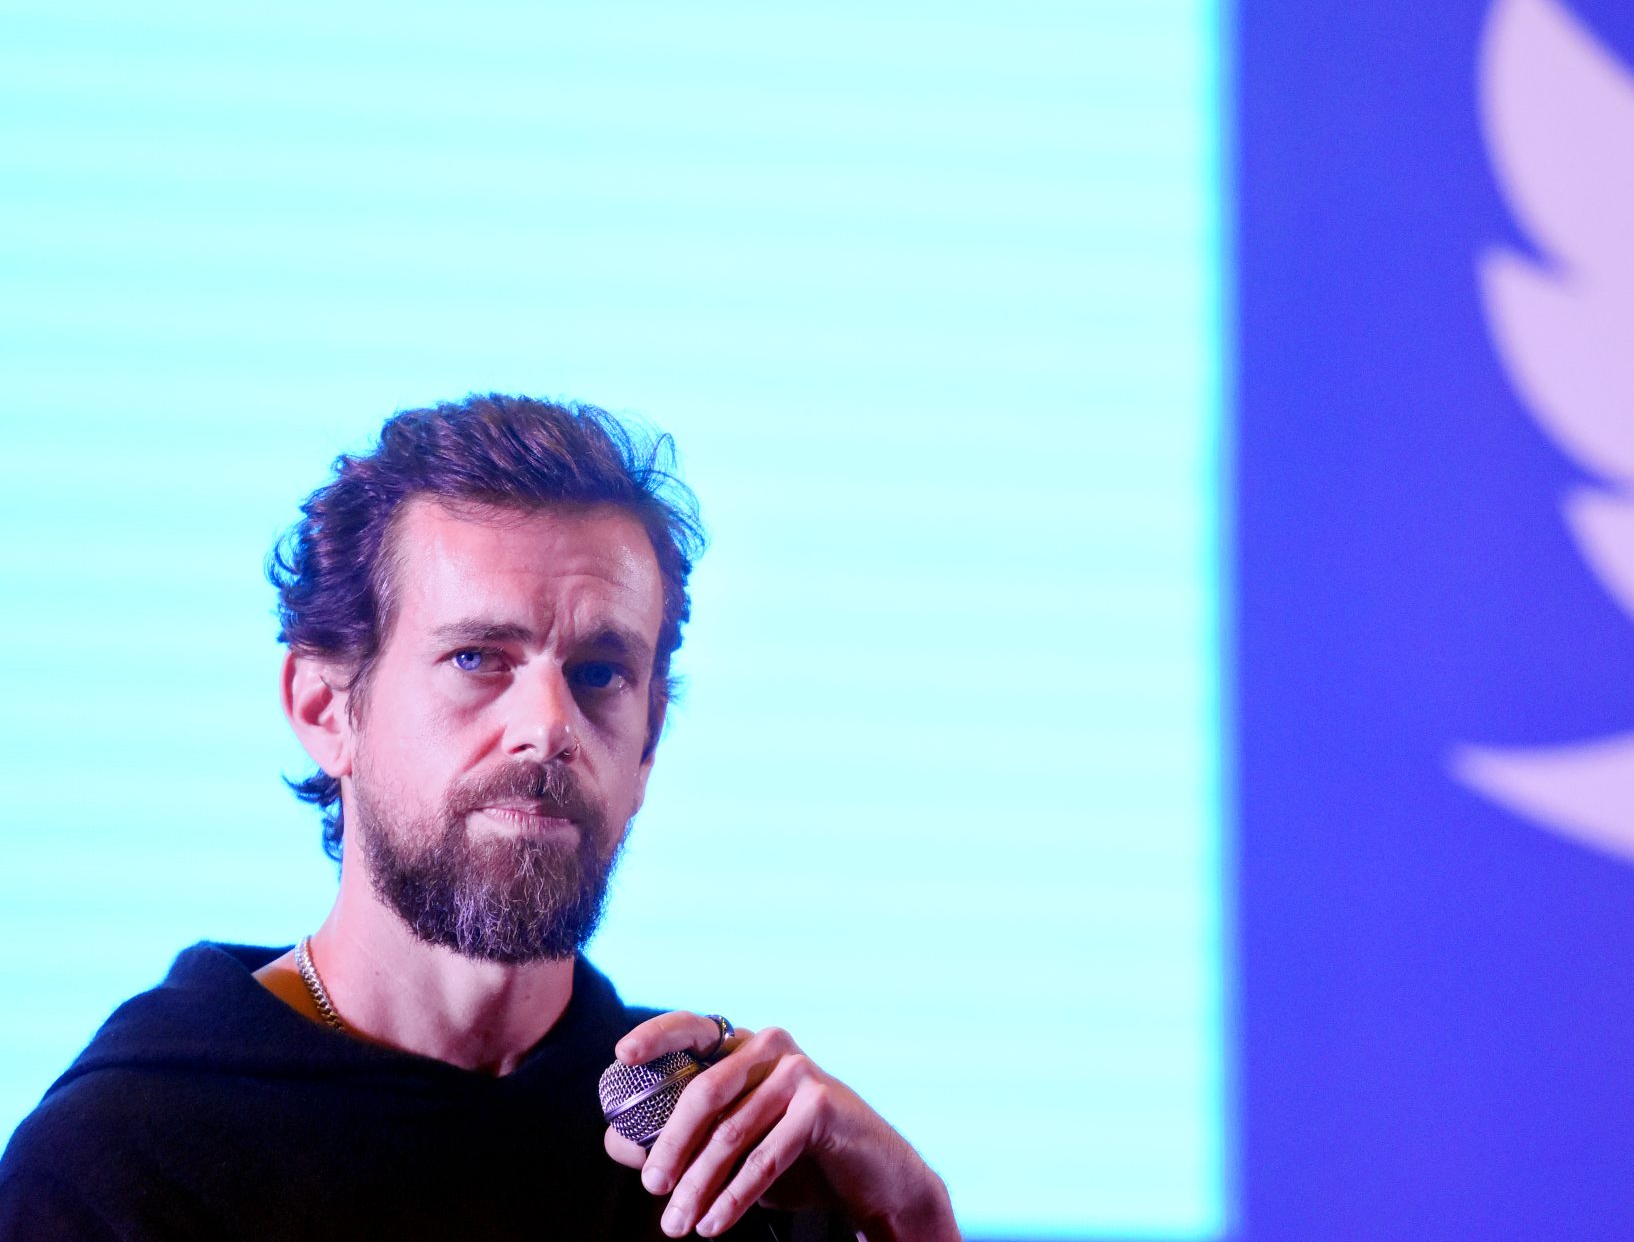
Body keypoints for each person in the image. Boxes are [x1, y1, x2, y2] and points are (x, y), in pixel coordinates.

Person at [0, 396, 961, 1241]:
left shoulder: (725, 1156)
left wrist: (913, 1219)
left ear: (650, 742)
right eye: (477, 658)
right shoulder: (125, 1161)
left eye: (599, 674)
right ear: (327, 708)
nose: (547, 729)